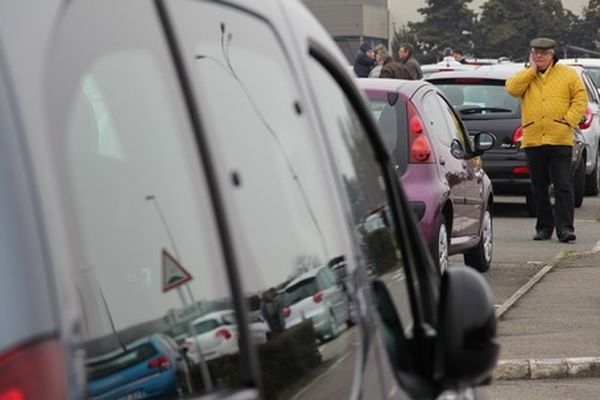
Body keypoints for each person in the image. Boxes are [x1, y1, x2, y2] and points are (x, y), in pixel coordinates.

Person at [505, 37, 587, 243]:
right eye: (535, 53)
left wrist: (567, 121)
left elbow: (580, 99)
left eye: (543, 53)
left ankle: (565, 228)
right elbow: (512, 88)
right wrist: (531, 70)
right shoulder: (527, 76)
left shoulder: (567, 75)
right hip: (534, 139)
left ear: (552, 55)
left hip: (560, 139)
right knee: (538, 187)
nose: (539, 56)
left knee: (563, 186)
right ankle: (544, 227)